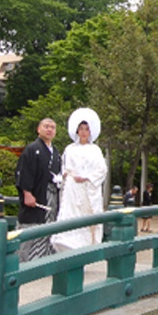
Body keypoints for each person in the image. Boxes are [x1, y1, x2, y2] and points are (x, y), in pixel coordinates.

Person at [51, 108, 108, 252]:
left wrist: (87, 177)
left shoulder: (95, 150)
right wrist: (65, 175)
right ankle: (66, 244)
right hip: (72, 187)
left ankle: (85, 247)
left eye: (87, 129)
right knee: (69, 214)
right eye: (81, 129)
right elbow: (63, 166)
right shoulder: (70, 148)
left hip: (88, 188)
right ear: (77, 130)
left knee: (86, 217)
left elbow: (102, 169)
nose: (83, 132)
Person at [15, 118, 62, 262]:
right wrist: (27, 193)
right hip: (36, 195)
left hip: (51, 196)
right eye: (46, 126)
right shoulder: (32, 149)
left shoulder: (55, 152)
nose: (49, 129)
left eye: (52, 127)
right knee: (31, 227)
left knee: (48, 228)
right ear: (38, 129)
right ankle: (23, 261)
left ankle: (42, 260)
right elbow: (24, 172)